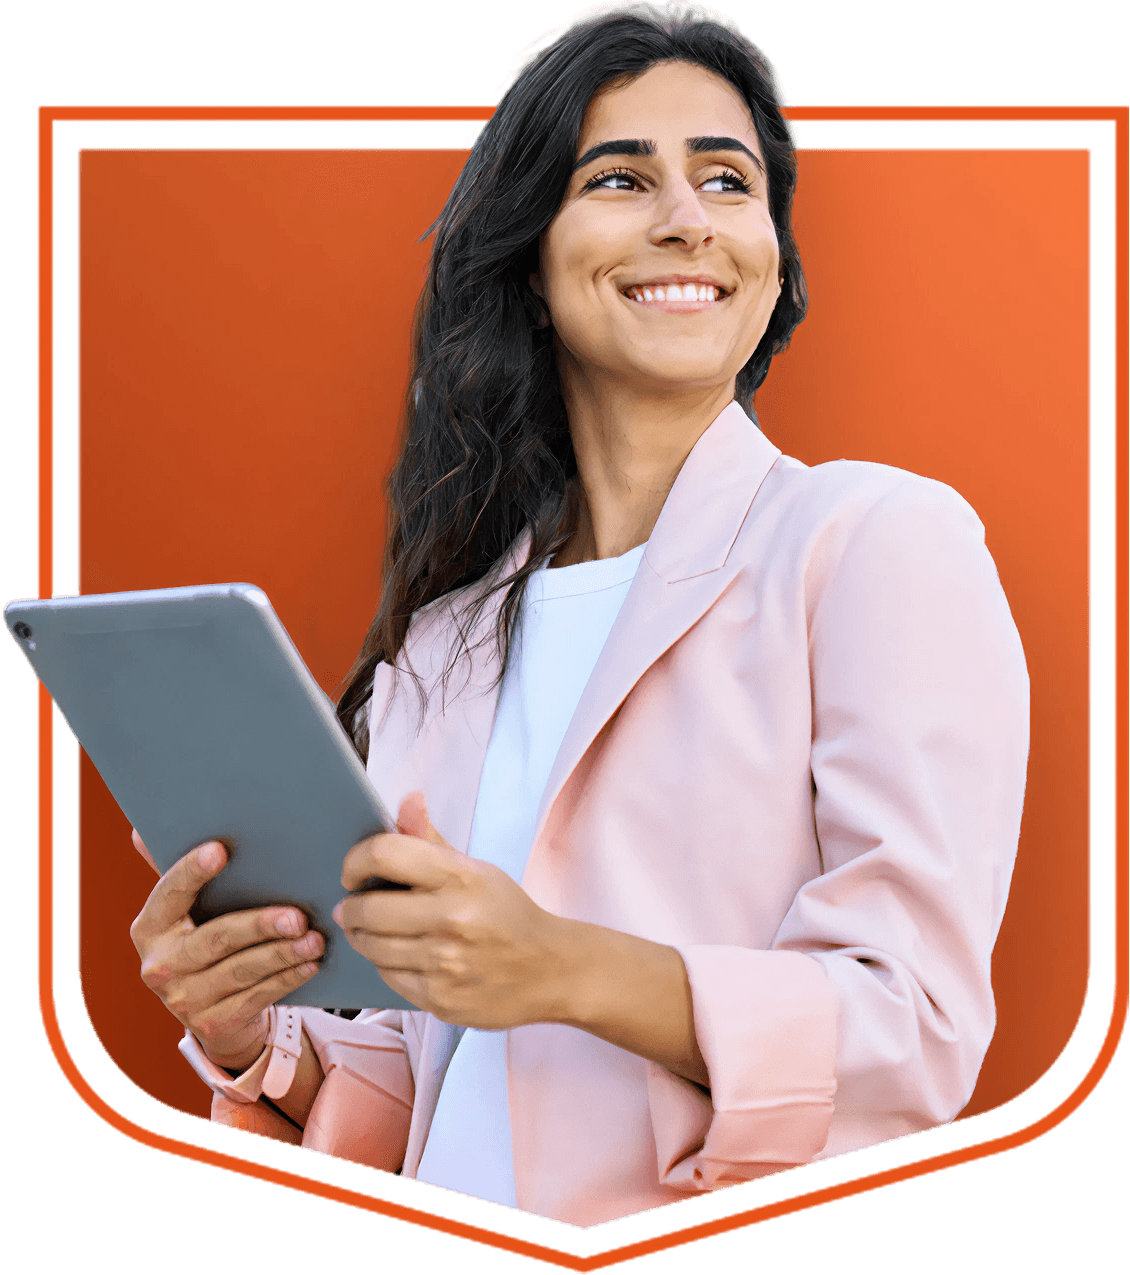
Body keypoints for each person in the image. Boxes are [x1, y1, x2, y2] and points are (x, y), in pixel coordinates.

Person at [128, 2, 1029, 1228]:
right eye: (620, 177)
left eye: (727, 180)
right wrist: (249, 1039)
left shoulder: (870, 542)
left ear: (770, 253)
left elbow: (911, 1031)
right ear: (531, 257)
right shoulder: (440, 644)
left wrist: (568, 971)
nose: (686, 219)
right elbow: (431, 1097)